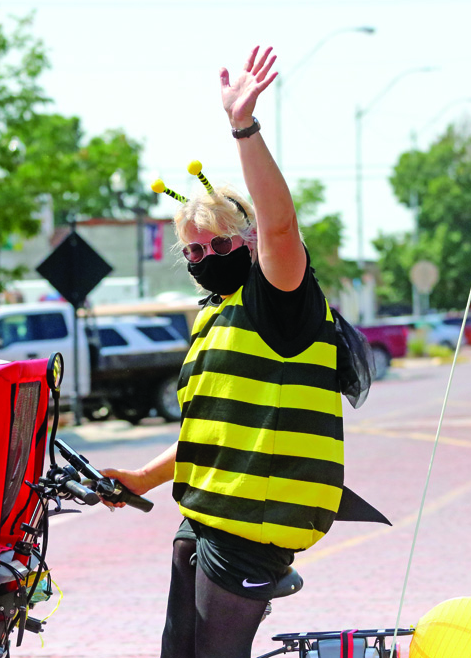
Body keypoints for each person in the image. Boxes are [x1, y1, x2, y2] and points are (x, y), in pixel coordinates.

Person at [103, 46, 348, 658]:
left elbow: (281, 228)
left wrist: (244, 127)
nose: (206, 258)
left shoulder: (276, 297)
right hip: (206, 517)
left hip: (254, 523)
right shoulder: (215, 317)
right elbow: (208, 435)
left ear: (248, 239)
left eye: (218, 245)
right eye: (193, 252)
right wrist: (140, 478)